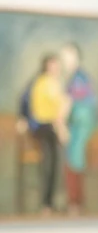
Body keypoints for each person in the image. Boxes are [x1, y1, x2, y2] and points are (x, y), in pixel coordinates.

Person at [22, 54, 71, 215]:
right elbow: (39, 108)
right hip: (45, 127)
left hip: (55, 127)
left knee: (57, 165)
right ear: (46, 66)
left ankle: (52, 201)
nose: (55, 68)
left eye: (56, 65)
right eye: (52, 65)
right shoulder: (41, 83)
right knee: (47, 165)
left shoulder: (56, 83)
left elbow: (61, 105)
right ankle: (46, 203)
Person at [61, 42, 98, 215]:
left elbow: (69, 103)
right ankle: (75, 202)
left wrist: (61, 124)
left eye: (69, 57)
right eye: (65, 58)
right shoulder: (76, 78)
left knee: (75, 163)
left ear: (77, 58)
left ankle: (75, 203)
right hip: (78, 125)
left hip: (81, 126)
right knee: (74, 162)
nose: (66, 61)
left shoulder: (79, 78)